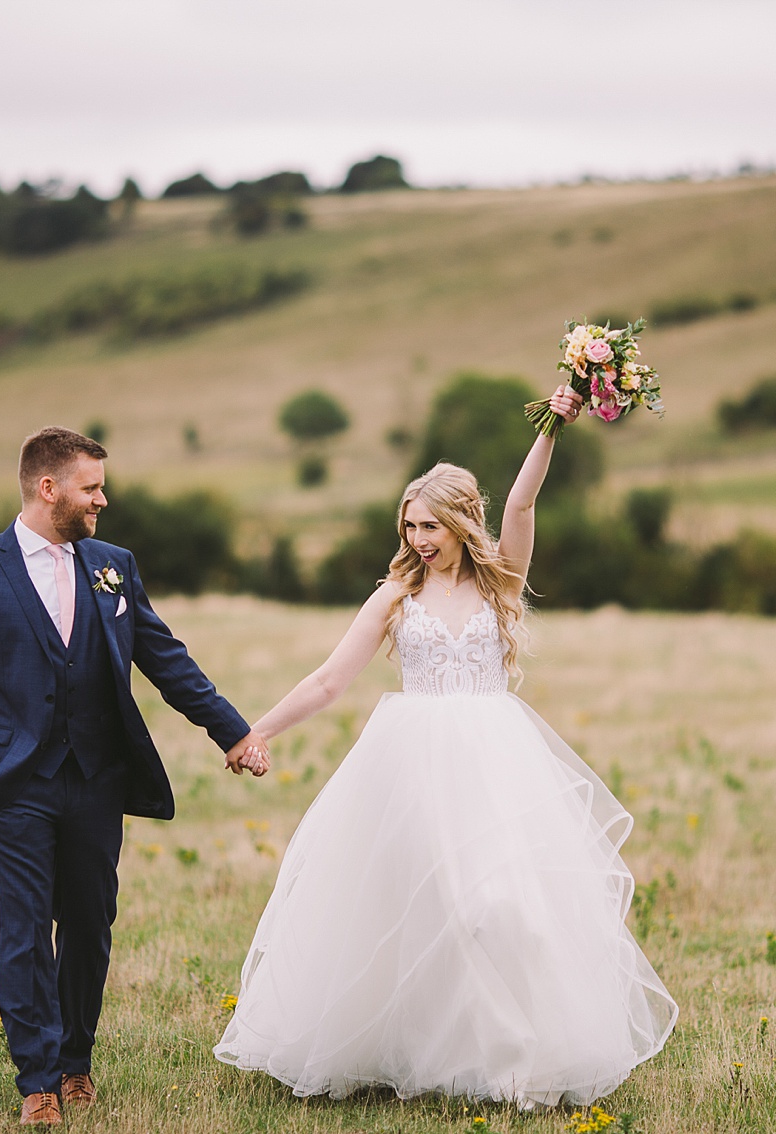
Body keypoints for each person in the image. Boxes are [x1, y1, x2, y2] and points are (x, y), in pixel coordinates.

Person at [214, 387, 677, 1108]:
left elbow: (522, 508)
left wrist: (554, 423)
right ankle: (415, 1050)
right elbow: (331, 679)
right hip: (412, 764)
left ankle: (517, 1058)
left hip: (496, 762)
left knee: (502, 908)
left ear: (464, 523)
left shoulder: (502, 588)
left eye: (431, 524)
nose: (419, 538)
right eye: (409, 526)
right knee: (428, 910)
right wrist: (259, 730)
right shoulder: (396, 596)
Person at [0, 427, 269, 1126]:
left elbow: (165, 657)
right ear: (47, 488)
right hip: (11, 784)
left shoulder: (112, 565)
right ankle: (36, 1083)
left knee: (88, 922)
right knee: (25, 926)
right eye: (91, 487)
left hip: (95, 779)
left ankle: (75, 1061)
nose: (102, 500)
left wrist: (232, 730)